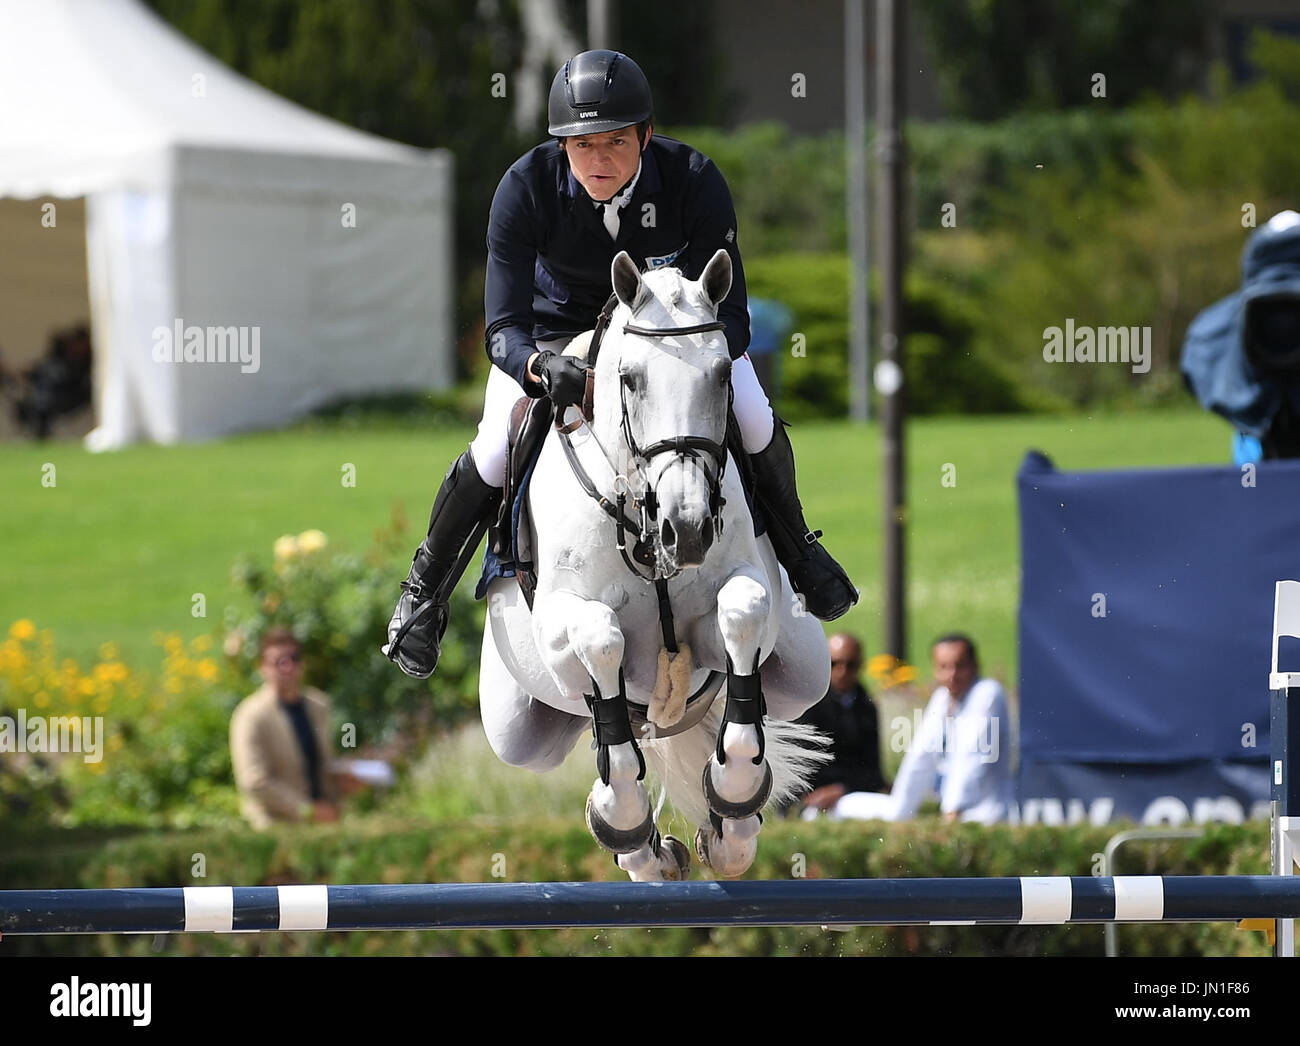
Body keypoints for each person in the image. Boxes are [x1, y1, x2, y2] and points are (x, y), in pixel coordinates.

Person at [384, 49, 857, 678]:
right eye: (581, 146)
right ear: (561, 145)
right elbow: (501, 329)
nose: (597, 161)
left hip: (668, 338)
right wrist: (537, 369)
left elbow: (734, 314)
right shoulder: (523, 188)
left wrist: (699, 348)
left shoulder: (693, 179)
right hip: (558, 343)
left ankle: (801, 551)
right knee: (498, 444)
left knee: (754, 411)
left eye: (613, 142)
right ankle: (423, 596)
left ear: (646, 135)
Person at [825, 633, 1014, 825]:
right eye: (943, 667)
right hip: (953, 815)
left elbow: (972, 756)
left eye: (960, 666)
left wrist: (952, 809)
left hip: (987, 816)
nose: (952, 675)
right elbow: (921, 755)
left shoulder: (988, 693)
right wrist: (901, 809)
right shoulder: (943, 698)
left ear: (976, 665)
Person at [229, 627, 344, 829]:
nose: (288, 667)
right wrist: (307, 810)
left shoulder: (319, 705)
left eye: (294, 658)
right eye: (279, 662)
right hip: (276, 830)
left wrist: (345, 781)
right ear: (262, 667)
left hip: (324, 828)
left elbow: (323, 763)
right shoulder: (250, 715)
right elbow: (254, 782)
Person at [795, 633, 886, 812]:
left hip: (852, 793)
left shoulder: (866, 707)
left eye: (850, 665)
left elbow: (873, 769)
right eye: (834, 664)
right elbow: (802, 765)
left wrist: (842, 788)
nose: (842, 672)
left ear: (861, 665)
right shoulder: (807, 705)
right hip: (812, 799)